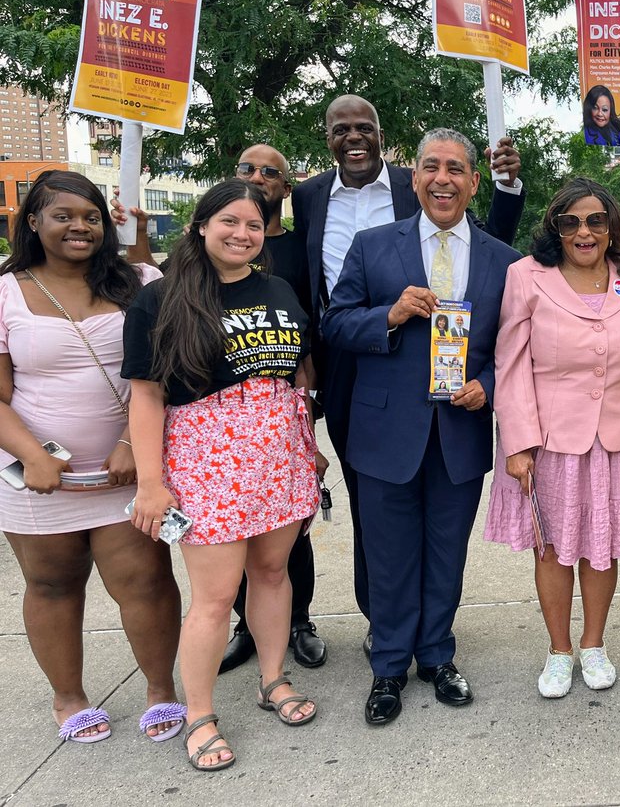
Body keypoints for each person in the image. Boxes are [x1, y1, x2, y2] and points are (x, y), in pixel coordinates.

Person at [291, 94, 525, 656]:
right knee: (390, 554)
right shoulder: (373, 247)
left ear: (474, 183)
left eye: (456, 169)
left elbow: (517, 347)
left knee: (447, 552)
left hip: (460, 430)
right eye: (431, 167)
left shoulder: (504, 260)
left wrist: (490, 385)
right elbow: (335, 322)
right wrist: (389, 316)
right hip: (385, 428)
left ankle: (437, 654)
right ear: (414, 178)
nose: (443, 179)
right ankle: (390, 663)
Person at [123, 180, 320, 771]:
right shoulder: (162, 298)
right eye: (229, 221)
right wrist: (151, 482)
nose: (242, 233)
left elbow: (294, 374)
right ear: (201, 225)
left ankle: (272, 678)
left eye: (254, 225)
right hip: (207, 461)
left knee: (272, 573)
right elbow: (146, 396)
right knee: (213, 597)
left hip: (279, 456)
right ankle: (200, 714)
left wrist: (307, 446)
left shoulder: (278, 288)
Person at [0, 171, 183, 745]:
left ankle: (160, 689)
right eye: (63, 216)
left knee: (145, 581)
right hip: (38, 478)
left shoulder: (141, 281)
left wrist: (131, 443)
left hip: (130, 472)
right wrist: (32, 456)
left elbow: (170, 373)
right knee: (52, 583)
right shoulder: (5, 291)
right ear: (33, 221)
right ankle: (69, 697)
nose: (79, 226)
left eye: (91, 216)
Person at [487, 178, 620, 697]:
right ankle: (559, 651)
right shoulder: (526, 276)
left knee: (602, 547)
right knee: (553, 548)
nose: (585, 232)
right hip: (551, 442)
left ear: (611, 227)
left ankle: (594, 644)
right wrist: (517, 443)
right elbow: (510, 363)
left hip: (619, 440)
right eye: (571, 222)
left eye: (596, 221)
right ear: (555, 228)